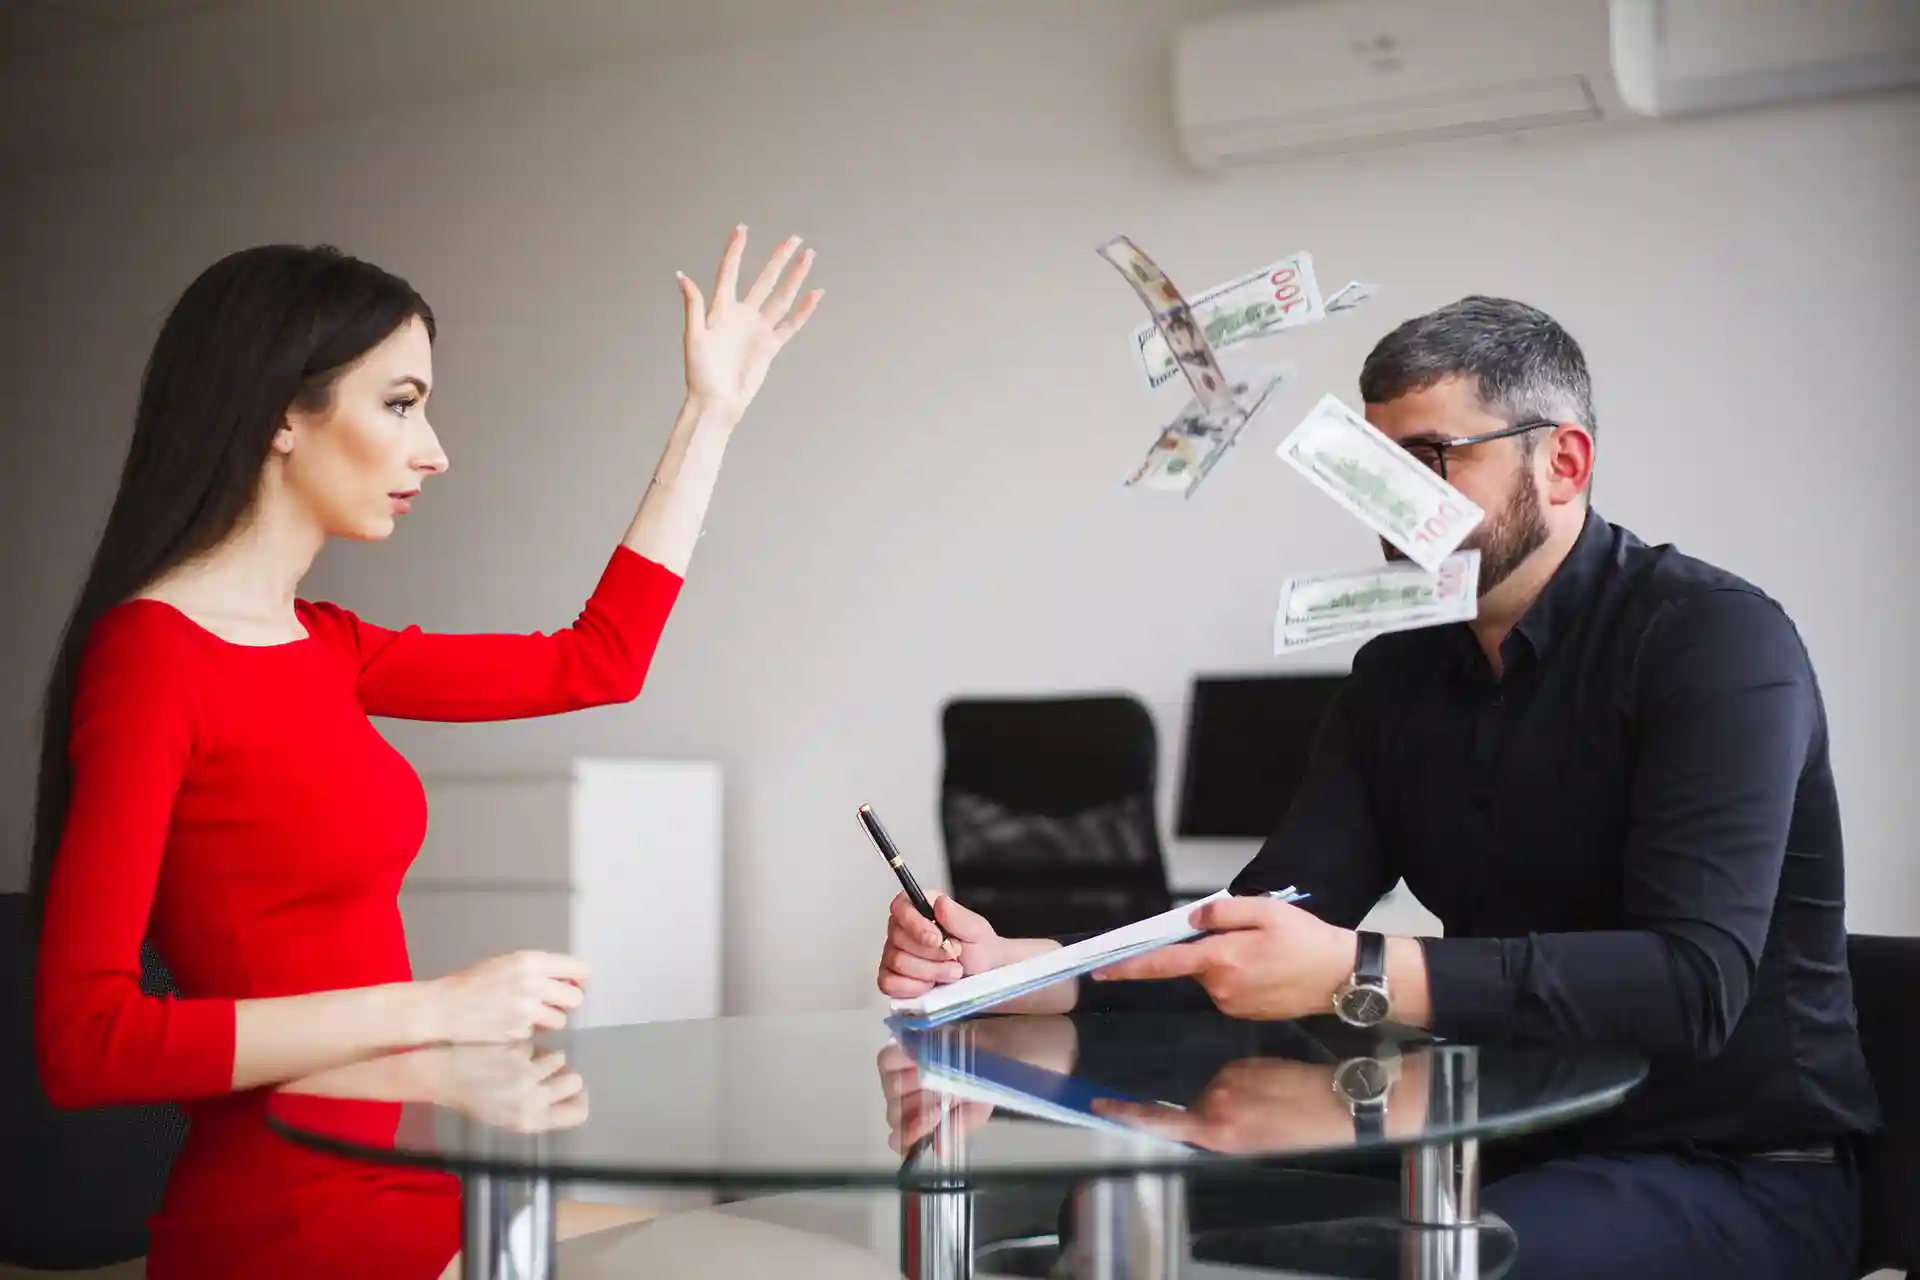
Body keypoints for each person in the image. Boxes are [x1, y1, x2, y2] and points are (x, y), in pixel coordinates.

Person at [877, 296, 1879, 1279]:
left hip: (1730, 1172)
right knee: (1112, 1211)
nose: (1391, 505)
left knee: (1458, 1264)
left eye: (1431, 462)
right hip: (1482, 1141)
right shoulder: (1396, 679)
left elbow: (1693, 982)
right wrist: (1034, 967)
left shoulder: (1714, 642)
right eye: (1369, 469)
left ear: (1563, 462)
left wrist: (1357, 969)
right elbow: (1269, 915)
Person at [31, 225, 821, 1279]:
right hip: (296, 1218)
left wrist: (710, 415)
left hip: (415, 1175)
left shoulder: (329, 644)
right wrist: (433, 1014)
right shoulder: (152, 659)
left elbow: (601, 660)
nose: (435, 447)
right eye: (400, 403)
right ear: (280, 413)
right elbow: (87, 1040)